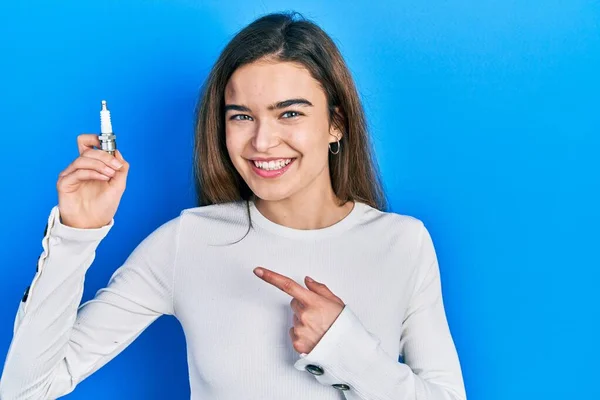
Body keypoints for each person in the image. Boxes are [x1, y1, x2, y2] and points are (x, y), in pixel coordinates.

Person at [0, 11, 466, 400]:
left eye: (290, 113)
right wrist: (75, 235)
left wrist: (345, 348)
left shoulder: (402, 243)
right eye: (242, 116)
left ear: (335, 124)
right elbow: (26, 388)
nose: (262, 142)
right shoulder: (189, 241)